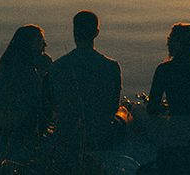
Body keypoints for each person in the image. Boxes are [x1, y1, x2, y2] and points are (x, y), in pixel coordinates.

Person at [134, 23, 190, 150]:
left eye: (170, 39)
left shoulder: (164, 69)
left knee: (137, 110)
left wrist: (166, 109)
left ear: (177, 44)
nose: (167, 43)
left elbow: (152, 109)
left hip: (178, 133)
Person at [46, 10, 129, 152]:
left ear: (74, 31)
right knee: (125, 112)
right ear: (96, 33)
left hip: (67, 136)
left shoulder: (57, 66)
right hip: (100, 137)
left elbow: (52, 104)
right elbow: (112, 106)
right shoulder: (111, 66)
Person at [0, 24, 53, 157]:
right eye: (41, 41)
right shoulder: (27, 67)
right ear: (30, 43)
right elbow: (35, 96)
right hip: (18, 126)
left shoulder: (8, 58)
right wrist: (45, 74)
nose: (45, 45)